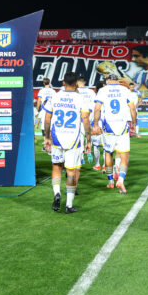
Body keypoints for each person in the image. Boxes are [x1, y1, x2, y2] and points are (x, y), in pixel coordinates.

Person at [43, 72, 92, 214]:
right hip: (73, 140)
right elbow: (86, 120)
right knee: (71, 171)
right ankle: (69, 205)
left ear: (63, 82)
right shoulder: (80, 98)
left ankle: (57, 193)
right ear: (76, 83)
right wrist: (88, 140)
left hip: (57, 137)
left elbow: (47, 118)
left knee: (56, 167)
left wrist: (47, 137)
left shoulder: (55, 96)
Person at [92, 74, 137, 193]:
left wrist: (95, 124)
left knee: (108, 153)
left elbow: (97, 108)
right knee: (124, 155)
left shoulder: (103, 90)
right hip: (122, 126)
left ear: (107, 81)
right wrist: (134, 124)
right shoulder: (125, 90)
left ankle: (110, 181)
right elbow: (132, 108)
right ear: (117, 81)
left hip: (109, 126)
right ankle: (121, 180)